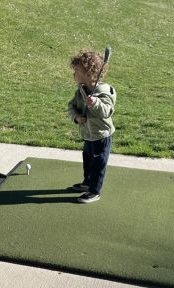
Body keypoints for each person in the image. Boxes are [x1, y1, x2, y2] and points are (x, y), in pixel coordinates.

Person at [67, 50, 116, 203]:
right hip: (88, 134)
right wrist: (76, 117)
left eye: (77, 71)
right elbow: (71, 106)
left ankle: (94, 191)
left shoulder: (104, 91)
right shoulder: (81, 90)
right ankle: (87, 183)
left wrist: (95, 103)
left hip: (101, 135)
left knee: (98, 163)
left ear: (88, 74)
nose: (74, 73)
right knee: (87, 159)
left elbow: (107, 111)